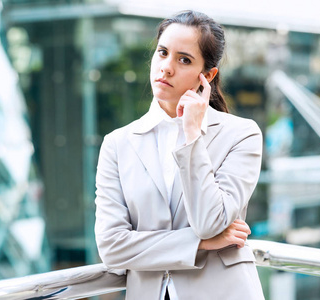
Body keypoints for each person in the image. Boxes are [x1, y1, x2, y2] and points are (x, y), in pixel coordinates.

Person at [94, 10, 265, 300]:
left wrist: (192, 137)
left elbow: (210, 222)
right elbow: (112, 247)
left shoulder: (242, 134)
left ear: (207, 75)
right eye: (162, 53)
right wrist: (199, 244)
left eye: (183, 59)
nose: (167, 67)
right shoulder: (117, 144)